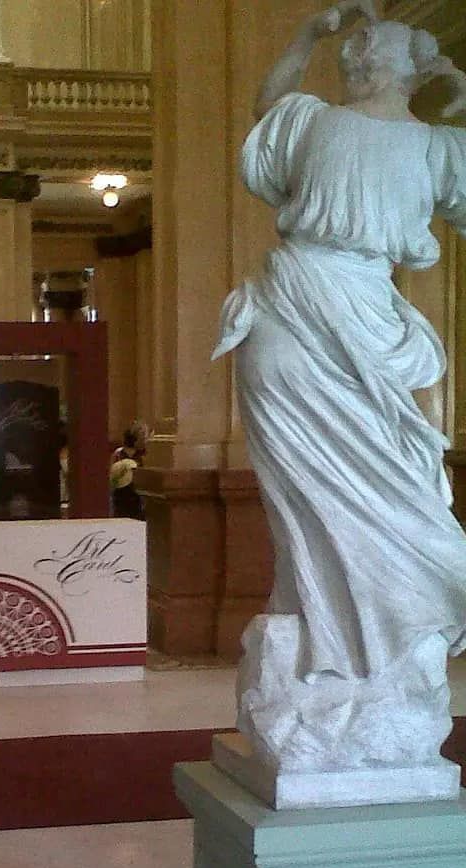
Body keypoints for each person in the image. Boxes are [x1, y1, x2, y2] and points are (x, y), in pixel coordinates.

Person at [213, 2, 466, 771]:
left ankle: (379, 651)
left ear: (411, 66)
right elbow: (268, 106)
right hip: (294, 315)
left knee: (391, 491)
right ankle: (327, 649)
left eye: (369, 47)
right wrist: (306, 36)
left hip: (350, 315)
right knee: (310, 501)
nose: (357, 55)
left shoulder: (437, 147)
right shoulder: (315, 119)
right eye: (352, 49)